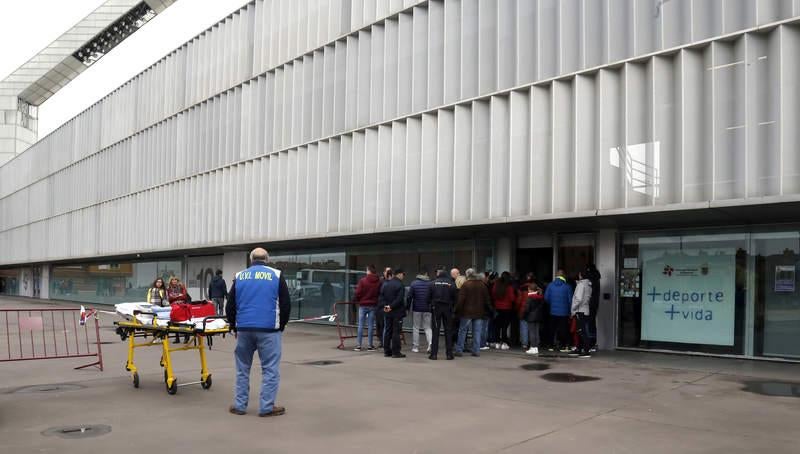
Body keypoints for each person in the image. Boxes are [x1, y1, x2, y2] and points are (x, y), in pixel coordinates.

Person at [226, 248, 291, 417]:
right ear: (267, 259)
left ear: (251, 259)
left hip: (244, 329)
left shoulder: (240, 276)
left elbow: (230, 305)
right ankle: (266, 407)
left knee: (242, 369)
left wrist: (234, 325)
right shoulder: (276, 275)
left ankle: (240, 406)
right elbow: (285, 304)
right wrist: (281, 325)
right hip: (269, 329)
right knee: (270, 369)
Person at [454, 268, 490, 357]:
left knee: (462, 331)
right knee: (477, 332)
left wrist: (457, 310)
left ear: (467, 275)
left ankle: (459, 350)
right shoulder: (482, 285)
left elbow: (461, 300)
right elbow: (487, 300)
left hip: (466, 312)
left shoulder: (466, 285)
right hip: (479, 312)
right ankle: (476, 351)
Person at [428, 267, 457, 360]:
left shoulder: (432, 283)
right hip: (447, 308)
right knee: (448, 331)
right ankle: (449, 354)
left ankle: (434, 354)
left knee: (435, 331)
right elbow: (455, 297)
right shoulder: (451, 283)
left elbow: (427, 297)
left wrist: (431, 305)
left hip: (436, 308)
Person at [544, 269, 574, 352]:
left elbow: (546, 298)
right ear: (563, 275)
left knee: (552, 329)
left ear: (556, 275)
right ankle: (563, 345)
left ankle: (550, 345)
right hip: (564, 312)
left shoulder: (550, 285)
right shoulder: (568, 286)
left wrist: (552, 304)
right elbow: (570, 300)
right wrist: (571, 311)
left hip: (553, 311)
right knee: (563, 329)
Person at [353, 265, 381, 352]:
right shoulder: (378, 282)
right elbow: (380, 293)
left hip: (363, 305)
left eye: (366, 270)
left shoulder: (362, 281)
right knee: (370, 326)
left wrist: (358, 300)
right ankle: (370, 345)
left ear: (369, 271)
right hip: (373, 305)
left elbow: (357, 293)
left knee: (361, 325)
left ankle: (359, 345)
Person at [381, 268, 406, 358]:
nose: (403, 276)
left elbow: (382, 297)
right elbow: (399, 299)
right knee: (396, 331)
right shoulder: (400, 285)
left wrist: (386, 306)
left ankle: (386, 351)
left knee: (388, 330)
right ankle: (396, 352)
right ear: (399, 274)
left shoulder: (387, 284)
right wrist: (391, 306)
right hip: (397, 312)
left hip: (388, 311)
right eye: (403, 274)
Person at [406, 268, 433, 354]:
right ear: (426, 274)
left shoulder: (414, 283)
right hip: (428, 309)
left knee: (416, 327)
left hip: (417, 308)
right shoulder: (430, 284)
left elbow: (409, 297)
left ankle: (415, 347)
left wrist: (407, 307)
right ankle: (430, 344)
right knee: (428, 327)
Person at [491, 272, 517, 350]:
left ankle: (497, 342)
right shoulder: (509, 287)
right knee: (505, 327)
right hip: (507, 309)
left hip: (497, 308)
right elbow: (512, 298)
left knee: (497, 326)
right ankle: (504, 343)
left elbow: (493, 295)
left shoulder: (496, 285)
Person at [569, 271, 593, 358]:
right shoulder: (589, 285)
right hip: (585, 310)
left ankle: (585, 350)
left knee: (581, 331)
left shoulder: (581, 285)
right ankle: (579, 349)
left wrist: (573, 309)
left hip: (580, 310)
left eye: (579, 274)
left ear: (581, 276)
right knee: (581, 331)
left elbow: (578, 299)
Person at [522, 283, 546, 355]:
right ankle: (536, 348)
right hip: (538, 317)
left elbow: (527, 309)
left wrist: (524, 315)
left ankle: (533, 347)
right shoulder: (540, 297)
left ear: (530, 289)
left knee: (532, 333)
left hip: (531, 317)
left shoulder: (530, 297)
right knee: (536, 332)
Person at [167, 276, 189, 344]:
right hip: (174, 306)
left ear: (177, 280)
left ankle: (186, 337)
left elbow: (184, 296)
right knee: (175, 322)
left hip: (182, 306)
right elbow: (169, 298)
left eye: (175, 279)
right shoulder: (169, 288)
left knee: (184, 322)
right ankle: (177, 338)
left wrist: (175, 296)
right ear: (170, 281)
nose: (174, 281)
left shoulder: (182, 287)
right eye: (173, 280)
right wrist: (178, 296)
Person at [585, 264, 601, 351]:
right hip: (594, 304)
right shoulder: (596, 279)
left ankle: (589, 343)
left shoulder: (589, 281)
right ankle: (592, 341)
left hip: (589, 304)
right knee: (592, 322)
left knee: (587, 323)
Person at [375, 267, 393, 348]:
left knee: (387, 325)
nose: (388, 273)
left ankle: (386, 341)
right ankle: (382, 341)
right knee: (380, 324)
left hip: (388, 306)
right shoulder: (380, 281)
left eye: (389, 271)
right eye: (387, 271)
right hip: (380, 305)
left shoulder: (392, 281)